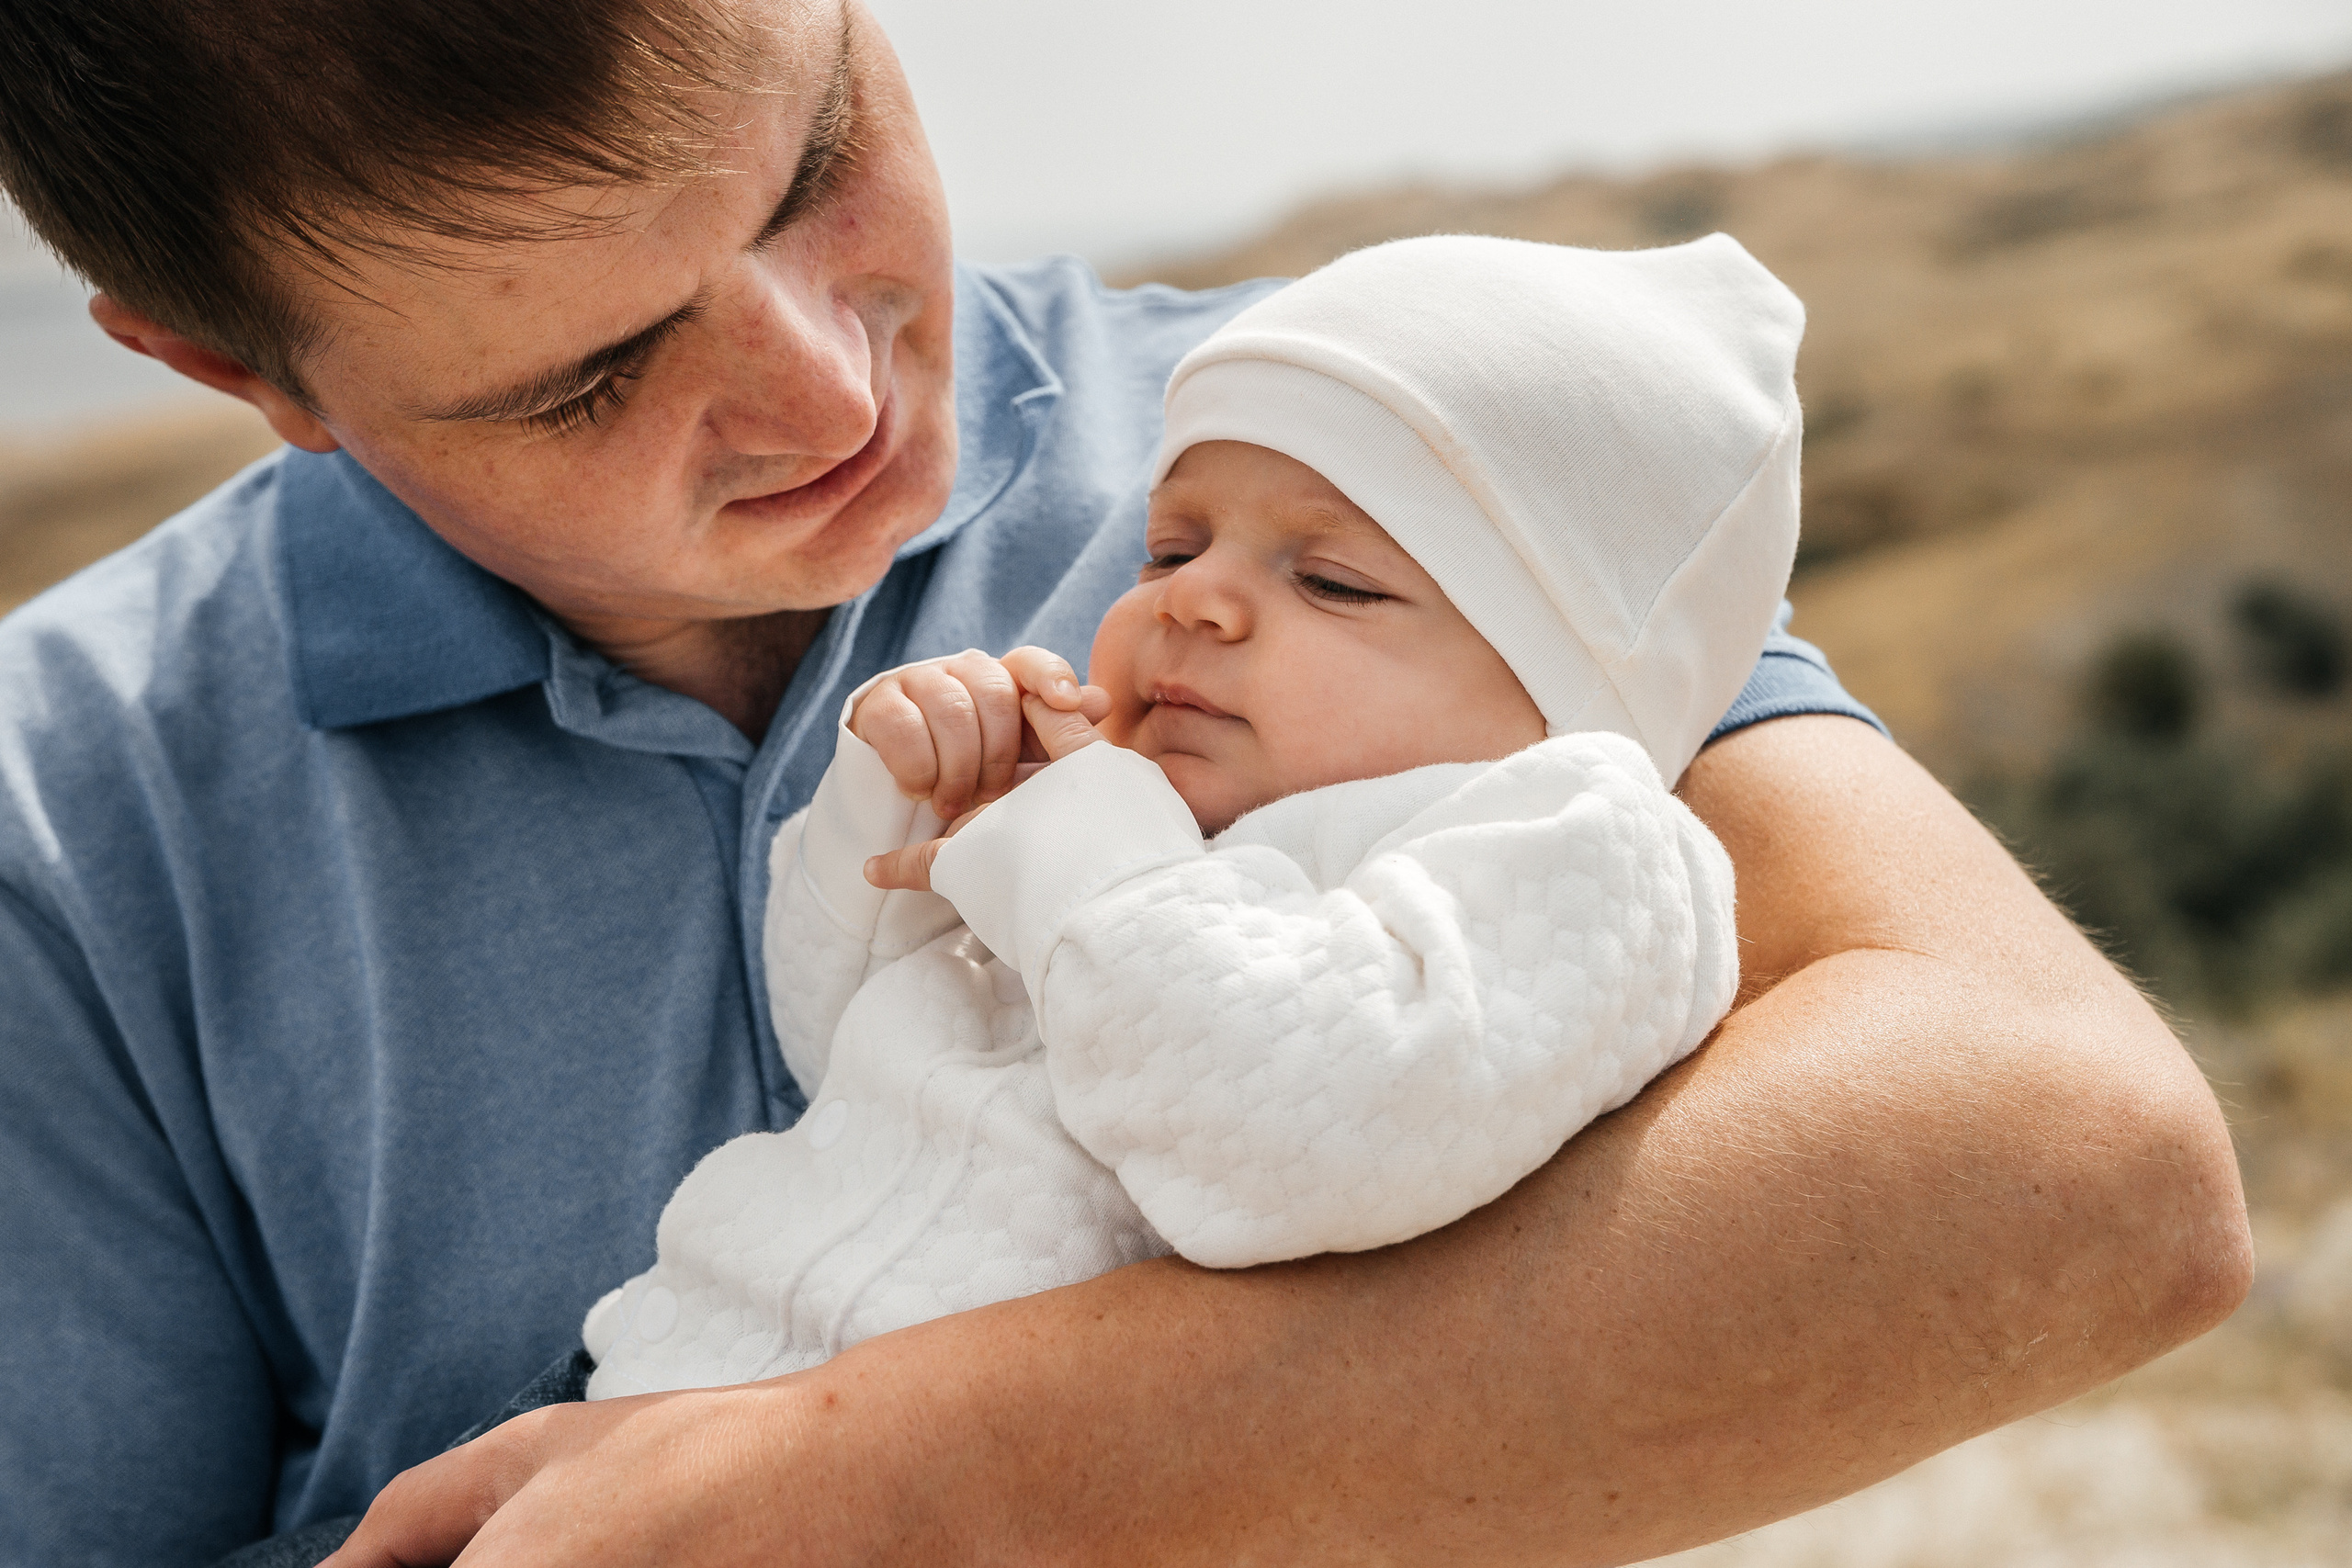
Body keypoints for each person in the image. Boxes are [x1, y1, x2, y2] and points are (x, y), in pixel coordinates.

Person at [0, 1, 2248, 1564]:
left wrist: (908, 1486)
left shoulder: (1359, 459)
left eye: (811, 160)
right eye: (589, 371)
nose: (826, 390)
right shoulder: (63, 814)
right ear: (231, 366)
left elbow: (2073, 1177)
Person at [579, 232, 1771, 1405]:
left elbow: (1318, 1133)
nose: (1195, 596)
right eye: (1170, 548)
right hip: (660, 1382)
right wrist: (908, 827)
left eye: (1332, 580)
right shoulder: (1147, 821)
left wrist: (1093, 870)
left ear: (1562, 684)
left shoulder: (1581, 849)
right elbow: (848, 1060)